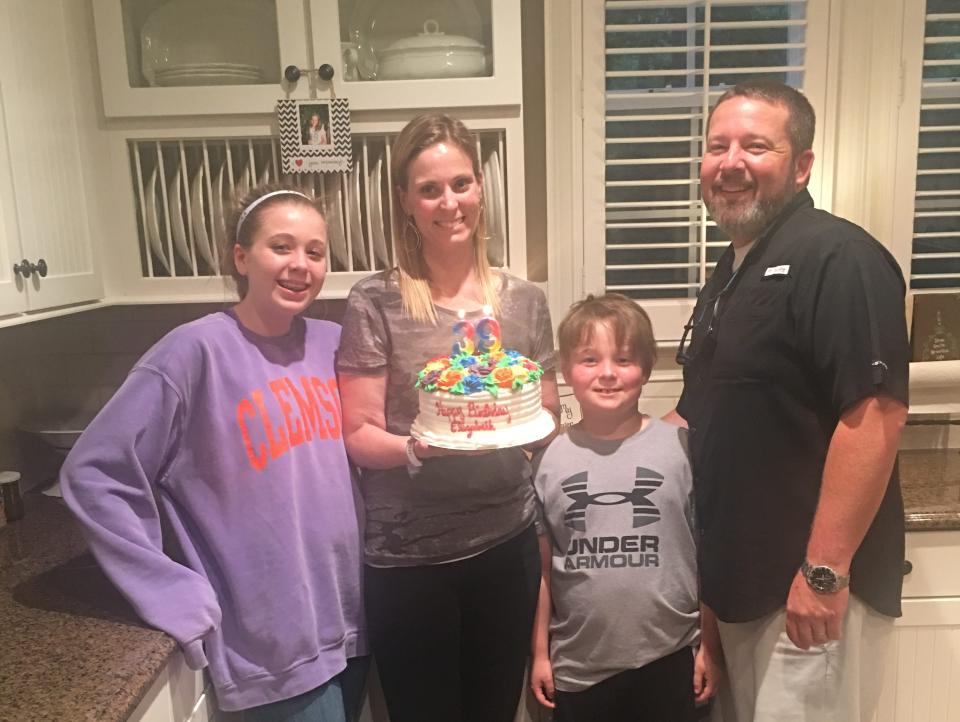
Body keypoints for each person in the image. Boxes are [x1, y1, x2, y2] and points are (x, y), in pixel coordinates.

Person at [60, 184, 368, 721]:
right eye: (282, 246)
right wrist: (166, 587)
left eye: (315, 252)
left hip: (353, 619)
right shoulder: (192, 351)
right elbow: (96, 475)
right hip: (272, 645)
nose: (301, 265)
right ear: (241, 257)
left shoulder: (332, 343)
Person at [670, 80, 910, 721]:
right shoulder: (733, 271)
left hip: (807, 592)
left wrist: (824, 573)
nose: (731, 162)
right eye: (717, 146)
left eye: (756, 146)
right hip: (740, 588)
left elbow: (876, 416)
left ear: (802, 164)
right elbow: (701, 411)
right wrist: (586, 446)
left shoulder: (840, 258)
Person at [336, 113, 560, 722]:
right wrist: (422, 445)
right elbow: (357, 434)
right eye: (429, 189)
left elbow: (546, 412)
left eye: (461, 183)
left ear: (481, 188)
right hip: (408, 560)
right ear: (406, 202)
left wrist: (511, 428)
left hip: (506, 544)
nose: (449, 202)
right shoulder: (375, 301)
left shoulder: (524, 300)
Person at [529, 293, 723, 722]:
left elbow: (705, 558)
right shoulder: (546, 462)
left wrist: (709, 645)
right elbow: (543, 571)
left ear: (647, 370)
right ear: (565, 372)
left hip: (672, 659)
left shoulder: (680, 450)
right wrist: (540, 654)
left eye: (624, 359)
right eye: (589, 360)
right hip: (579, 668)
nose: (608, 374)